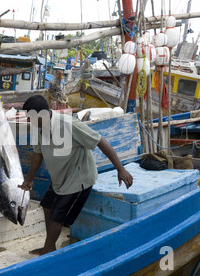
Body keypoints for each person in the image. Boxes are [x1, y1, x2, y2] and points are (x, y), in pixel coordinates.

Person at [18, 95, 133, 256]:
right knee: (47, 205)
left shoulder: (68, 124)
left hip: (78, 178)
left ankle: (49, 249)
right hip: (60, 177)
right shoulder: (38, 128)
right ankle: (49, 245)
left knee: (57, 217)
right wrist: (29, 179)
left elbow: (100, 140)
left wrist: (120, 169)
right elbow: (37, 154)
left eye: (30, 117)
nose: (29, 121)